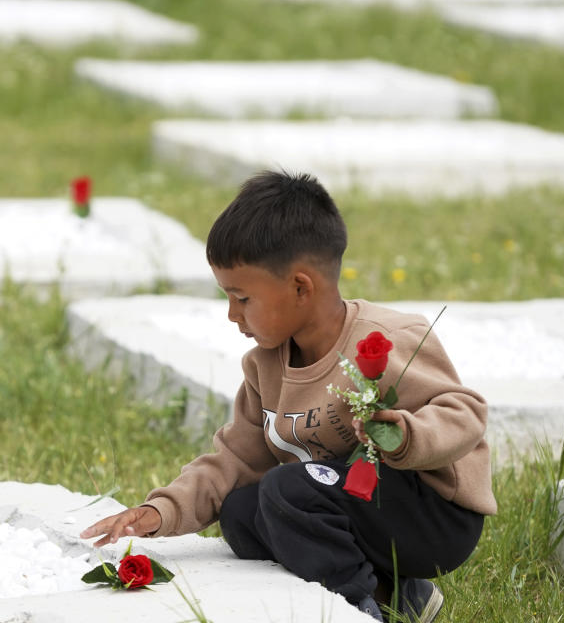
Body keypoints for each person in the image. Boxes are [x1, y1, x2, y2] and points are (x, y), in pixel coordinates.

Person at [80, 170, 497, 622]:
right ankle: (398, 594)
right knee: (242, 511)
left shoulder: (387, 339)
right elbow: (233, 460)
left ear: (301, 287)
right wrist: (160, 511)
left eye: (241, 298)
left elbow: (465, 411)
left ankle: (356, 609)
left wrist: (407, 434)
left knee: (286, 489)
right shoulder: (265, 365)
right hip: (350, 502)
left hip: (431, 516)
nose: (231, 314)